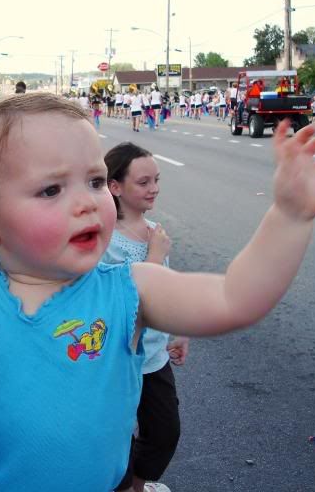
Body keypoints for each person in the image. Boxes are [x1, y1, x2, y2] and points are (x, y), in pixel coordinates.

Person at [0, 93, 315, 491]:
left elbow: (235, 299)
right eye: (51, 190)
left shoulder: (130, 289)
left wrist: (290, 216)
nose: (88, 203)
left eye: (95, 181)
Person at [103, 142, 188, 492]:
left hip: (154, 358)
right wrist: (154, 256)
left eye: (156, 179)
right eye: (143, 181)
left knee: (165, 431)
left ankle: (140, 485)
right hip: (118, 362)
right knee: (116, 436)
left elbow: (164, 289)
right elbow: (122, 303)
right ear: (115, 186)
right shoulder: (103, 240)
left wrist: (179, 329)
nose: (153, 188)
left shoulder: (155, 231)